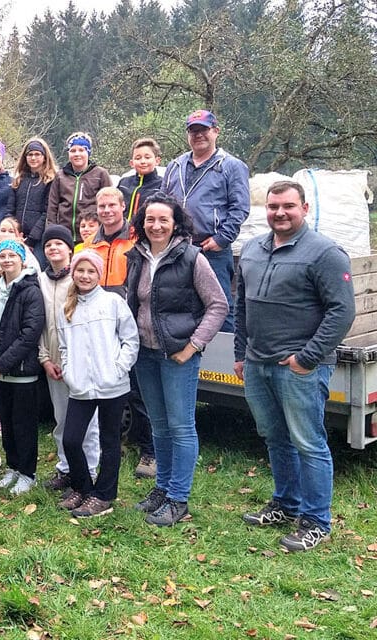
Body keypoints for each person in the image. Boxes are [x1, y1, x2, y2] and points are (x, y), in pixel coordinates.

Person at [234, 180, 354, 551]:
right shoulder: (253, 249)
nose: (280, 213)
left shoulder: (325, 253)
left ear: (304, 208)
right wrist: (241, 353)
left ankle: (316, 520)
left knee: (308, 442)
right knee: (275, 437)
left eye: (288, 206)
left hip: (298, 367)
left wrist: (307, 357)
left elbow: (342, 311)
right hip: (257, 363)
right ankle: (286, 505)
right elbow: (242, 305)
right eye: (273, 207)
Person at [125, 193, 227, 526]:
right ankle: (162, 489)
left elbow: (217, 305)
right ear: (142, 222)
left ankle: (178, 499)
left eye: (163, 220)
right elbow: (135, 304)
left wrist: (193, 345)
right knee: (159, 426)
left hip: (177, 356)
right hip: (146, 354)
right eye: (150, 219)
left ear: (175, 223)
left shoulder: (192, 258)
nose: (156, 225)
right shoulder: (137, 256)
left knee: (181, 427)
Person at [57, 250, 138, 518]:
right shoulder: (67, 307)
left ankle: (104, 495)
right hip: (81, 386)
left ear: (99, 274)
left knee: (109, 440)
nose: (85, 275)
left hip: (111, 385)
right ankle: (82, 487)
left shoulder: (113, 302)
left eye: (91, 271)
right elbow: (64, 347)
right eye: (80, 270)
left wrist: (118, 369)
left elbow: (130, 340)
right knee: (71, 440)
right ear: (73, 273)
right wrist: (70, 373)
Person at [82, 186, 157, 478]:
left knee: (138, 391)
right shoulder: (90, 243)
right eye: (102, 206)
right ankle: (110, 442)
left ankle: (149, 451)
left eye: (112, 205)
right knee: (105, 386)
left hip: (132, 322)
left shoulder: (138, 240)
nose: (106, 211)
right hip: (100, 324)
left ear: (123, 206)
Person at [162, 110, 251, 332]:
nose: (198, 135)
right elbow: (162, 202)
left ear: (216, 132)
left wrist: (222, 238)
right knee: (181, 303)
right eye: (193, 131)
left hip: (211, 248)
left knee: (219, 305)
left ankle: (223, 363)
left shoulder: (231, 166)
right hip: (178, 247)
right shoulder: (175, 165)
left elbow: (240, 207)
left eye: (203, 130)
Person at [0, 240, 45, 496]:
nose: (6, 260)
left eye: (11, 256)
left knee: (23, 424)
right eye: (2, 256)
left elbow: (29, 334)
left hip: (22, 372)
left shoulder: (30, 291)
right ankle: (13, 467)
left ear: (22, 260)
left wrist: (2, 363)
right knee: (6, 423)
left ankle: (28, 473)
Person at [36, 225, 100, 492]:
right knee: (62, 419)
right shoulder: (39, 279)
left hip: (81, 363)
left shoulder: (80, 279)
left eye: (59, 244)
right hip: (53, 362)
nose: (53, 248)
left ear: (69, 248)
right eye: (48, 244)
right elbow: (39, 323)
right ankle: (65, 468)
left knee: (88, 421)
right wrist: (45, 359)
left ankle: (91, 469)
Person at [47, 132, 112, 243]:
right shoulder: (60, 176)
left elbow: (110, 202)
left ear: (88, 152)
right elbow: (52, 206)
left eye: (81, 150)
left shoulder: (100, 174)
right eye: (73, 151)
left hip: (91, 235)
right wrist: (51, 231)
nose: (77, 154)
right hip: (64, 234)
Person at [6, 137, 58, 266]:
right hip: (17, 237)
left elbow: (47, 212)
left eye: (37, 154)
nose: (33, 158)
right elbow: (10, 210)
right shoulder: (18, 180)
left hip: (38, 239)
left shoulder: (50, 181)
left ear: (45, 157)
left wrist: (31, 239)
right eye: (30, 154)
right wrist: (14, 232)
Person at [117, 137, 163, 223]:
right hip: (122, 232)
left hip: (148, 232)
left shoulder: (162, 185)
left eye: (147, 157)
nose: (143, 161)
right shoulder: (123, 183)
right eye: (138, 158)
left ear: (157, 161)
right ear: (131, 163)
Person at [0, 216, 41, 280]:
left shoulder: (28, 256)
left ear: (20, 235)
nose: (6, 234)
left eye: (11, 231)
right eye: (3, 230)